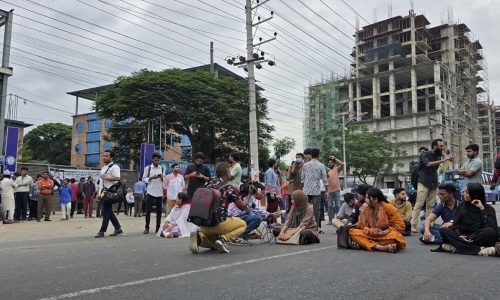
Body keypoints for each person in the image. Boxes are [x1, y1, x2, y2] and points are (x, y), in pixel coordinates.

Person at [189, 162, 247, 254]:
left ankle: (199, 239)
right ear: (227, 173)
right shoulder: (229, 188)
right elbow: (242, 207)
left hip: (204, 225)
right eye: (230, 171)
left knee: (215, 246)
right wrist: (251, 194)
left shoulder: (208, 183)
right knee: (243, 224)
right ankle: (224, 239)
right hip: (218, 224)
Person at [436, 183, 498, 256]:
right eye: (464, 191)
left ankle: (457, 248)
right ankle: (478, 250)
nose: (464, 194)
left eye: (467, 192)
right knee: (443, 230)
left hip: (477, 237)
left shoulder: (488, 209)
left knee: (490, 232)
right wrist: (459, 235)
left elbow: (490, 226)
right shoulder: (462, 206)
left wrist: (482, 209)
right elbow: (457, 225)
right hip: (463, 237)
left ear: (475, 193)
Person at [411, 139, 452, 233]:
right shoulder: (425, 154)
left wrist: (445, 154)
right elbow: (428, 164)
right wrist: (443, 160)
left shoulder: (439, 155)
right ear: (434, 146)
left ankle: (427, 224)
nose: (442, 148)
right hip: (423, 181)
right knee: (419, 204)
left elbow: (446, 157)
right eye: (440, 146)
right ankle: (413, 225)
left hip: (433, 182)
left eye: (443, 146)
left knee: (430, 205)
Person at [349, 188, 406, 253]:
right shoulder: (366, 208)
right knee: (352, 232)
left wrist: (385, 231)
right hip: (370, 235)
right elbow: (360, 227)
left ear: (375, 199)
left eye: (367, 198)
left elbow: (400, 227)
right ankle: (381, 248)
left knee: (395, 236)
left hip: (385, 236)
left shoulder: (389, 208)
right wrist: (362, 212)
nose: (365, 200)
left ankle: (365, 244)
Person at [95, 150, 123, 238]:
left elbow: (117, 178)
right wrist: (98, 194)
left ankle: (102, 231)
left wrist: (105, 177)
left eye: (106, 156)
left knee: (105, 210)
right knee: (108, 210)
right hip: (104, 193)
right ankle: (118, 228)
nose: (104, 157)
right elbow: (101, 183)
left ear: (111, 157)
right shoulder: (103, 168)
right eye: (103, 156)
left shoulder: (115, 167)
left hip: (112, 192)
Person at [301, 148, 328, 229]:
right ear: (318, 155)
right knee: (317, 210)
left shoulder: (305, 165)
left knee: (306, 209)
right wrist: (327, 190)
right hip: (316, 191)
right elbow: (325, 179)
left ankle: (304, 226)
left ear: (311, 155)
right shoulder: (321, 165)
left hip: (306, 191)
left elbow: (302, 178)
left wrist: (305, 186)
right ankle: (318, 227)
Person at [143, 152, 165, 234]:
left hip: (159, 192)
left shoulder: (162, 168)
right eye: (155, 160)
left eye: (158, 160)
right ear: (152, 159)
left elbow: (165, 180)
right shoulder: (148, 168)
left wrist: (162, 177)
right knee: (148, 211)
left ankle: (158, 228)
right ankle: (146, 228)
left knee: (159, 211)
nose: (157, 161)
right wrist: (152, 177)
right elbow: (143, 179)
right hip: (150, 192)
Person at [326, 156, 344, 225]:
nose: (330, 164)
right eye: (329, 162)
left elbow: (342, 164)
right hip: (329, 191)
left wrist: (335, 158)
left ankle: (338, 220)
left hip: (336, 190)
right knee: (329, 206)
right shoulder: (326, 170)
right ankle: (331, 220)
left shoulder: (336, 169)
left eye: (331, 162)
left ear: (334, 163)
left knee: (338, 205)